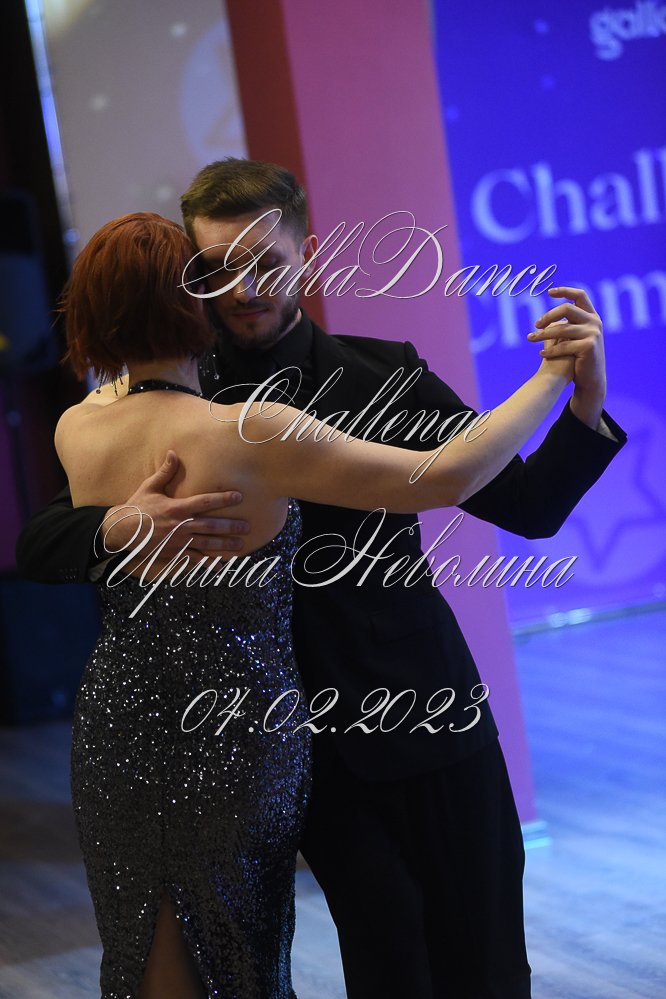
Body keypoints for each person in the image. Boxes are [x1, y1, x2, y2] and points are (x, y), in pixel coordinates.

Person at [16, 161, 626, 999]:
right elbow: (45, 538)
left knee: (487, 960)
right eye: (219, 267)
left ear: (306, 253)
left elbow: (527, 505)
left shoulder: (384, 373)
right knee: (385, 967)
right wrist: (116, 524)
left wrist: (583, 406)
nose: (245, 287)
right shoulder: (174, 402)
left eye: (266, 261)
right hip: (301, 750)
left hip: (430, 711)